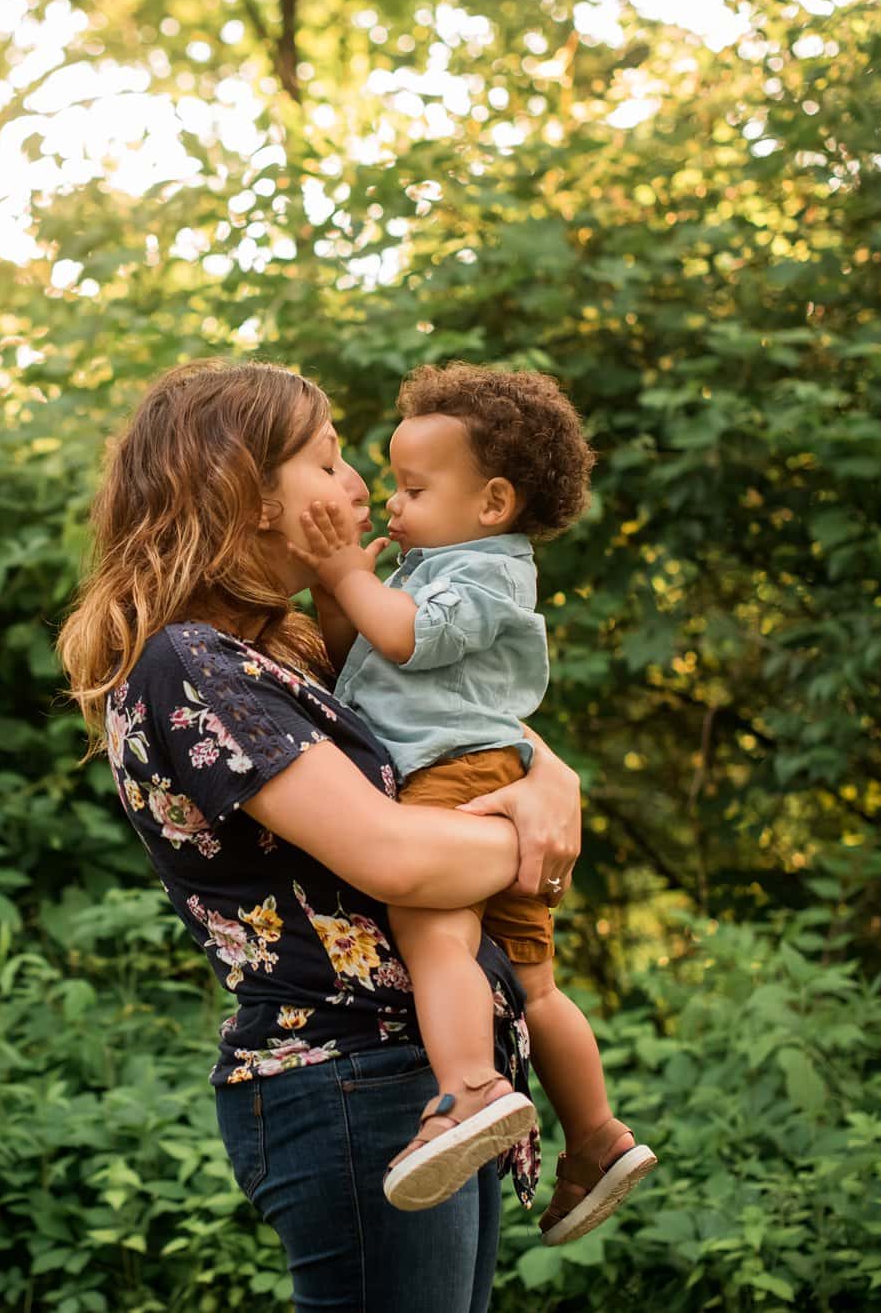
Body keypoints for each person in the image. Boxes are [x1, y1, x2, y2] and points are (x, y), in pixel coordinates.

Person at [57, 359, 582, 1311]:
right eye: (330, 462)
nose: (359, 490)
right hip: (352, 1079)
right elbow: (393, 854)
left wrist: (549, 776)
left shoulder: (283, 649)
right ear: (250, 494)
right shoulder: (191, 664)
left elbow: (462, 727)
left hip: (418, 1078)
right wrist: (539, 833)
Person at [293, 362, 654, 1243]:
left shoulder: (485, 574)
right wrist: (337, 592)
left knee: (437, 941)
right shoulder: (442, 565)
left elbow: (407, 641)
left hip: (453, 777)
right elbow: (361, 664)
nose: (391, 504)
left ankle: (468, 1092)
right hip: (493, 776)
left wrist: (347, 576)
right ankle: (597, 1136)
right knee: (535, 983)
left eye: (413, 488)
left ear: (493, 502)